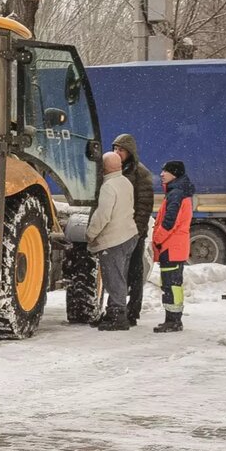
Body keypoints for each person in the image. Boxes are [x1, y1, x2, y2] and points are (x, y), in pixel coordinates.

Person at [85, 152, 139, 331]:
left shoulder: (108, 186)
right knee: (120, 277)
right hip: (129, 236)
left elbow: (103, 215)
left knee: (113, 279)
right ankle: (113, 312)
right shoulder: (125, 182)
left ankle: (117, 316)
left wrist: (91, 234)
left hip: (114, 239)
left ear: (104, 167)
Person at [112, 134, 154, 328]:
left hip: (133, 231)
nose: (116, 153)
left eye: (120, 149)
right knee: (116, 272)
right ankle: (114, 309)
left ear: (129, 152)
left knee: (134, 272)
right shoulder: (113, 170)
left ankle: (133, 311)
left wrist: (137, 230)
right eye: (115, 149)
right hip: (117, 230)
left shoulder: (140, 173)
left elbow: (144, 205)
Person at [153, 160, 194, 333]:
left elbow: (169, 223)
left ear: (174, 174)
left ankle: (173, 321)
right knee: (172, 285)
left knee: (171, 285)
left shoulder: (176, 193)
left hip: (171, 247)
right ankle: (172, 319)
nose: (161, 174)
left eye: (166, 171)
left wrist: (157, 239)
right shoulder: (178, 192)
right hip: (175, 247)